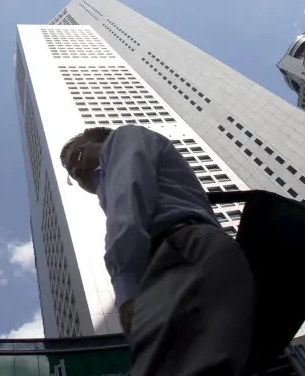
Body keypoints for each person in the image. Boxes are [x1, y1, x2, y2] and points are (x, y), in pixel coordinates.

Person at [60, 125, 254, 376]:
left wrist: (127, 289)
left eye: (76, 157)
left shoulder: (122, 138)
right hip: (187, 253)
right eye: (71, 175)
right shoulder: (113, 183)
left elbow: (128, 200)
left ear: (101, 140)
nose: (74, 170)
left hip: (180, 250)